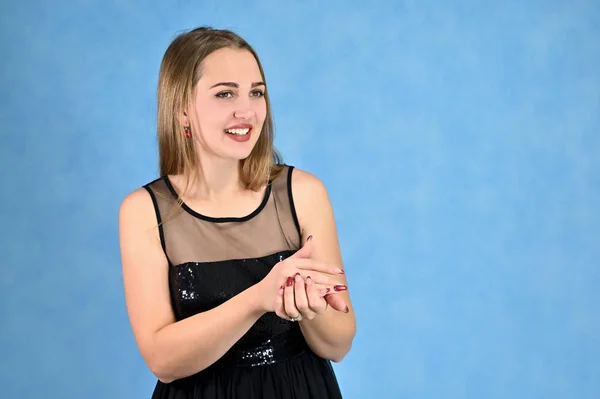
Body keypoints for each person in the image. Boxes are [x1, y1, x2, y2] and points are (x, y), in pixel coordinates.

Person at [118, 26, 356, 398]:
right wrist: (260, 298)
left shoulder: (304, 193)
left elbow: (338, 345)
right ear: (182, 109)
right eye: (225, 93)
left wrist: (310, 306)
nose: (246, 110)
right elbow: (162, 361)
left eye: (256, 92)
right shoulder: (144, 211)